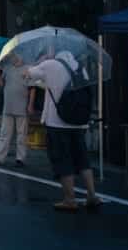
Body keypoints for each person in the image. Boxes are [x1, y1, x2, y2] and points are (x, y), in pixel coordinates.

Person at [25, 52, 102, 212]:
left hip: (58, 122)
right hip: (79, 122)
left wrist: (38, 62)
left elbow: (28, 75)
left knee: (62, 159)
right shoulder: (80, 67)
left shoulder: (50, 65)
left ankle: (70, 199)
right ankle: (92, 195)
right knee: (82, 159)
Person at [0, 56, 29, 167]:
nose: (12, 57)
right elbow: (2, 84)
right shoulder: (7, 67)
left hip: (21, 106)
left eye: (14, 55)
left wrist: (30, 105)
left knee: (21, 134)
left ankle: (20, 159)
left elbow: (32, 88)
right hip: (8, 106)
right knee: (4, 133)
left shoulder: (27, 67)